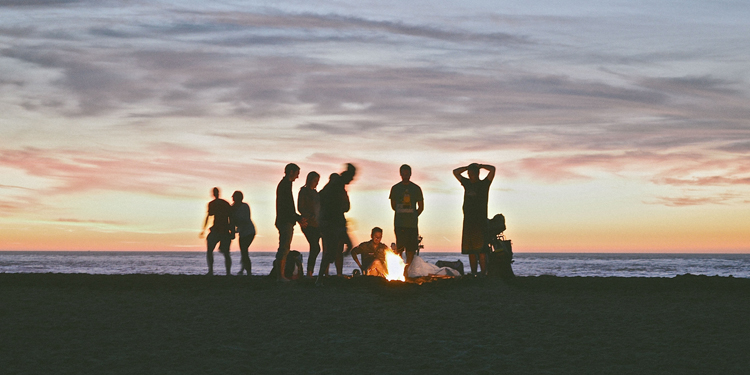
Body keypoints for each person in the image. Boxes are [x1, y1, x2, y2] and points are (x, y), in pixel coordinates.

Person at [316, 164, 356, 285]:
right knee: (332, 251)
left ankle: (323, 275)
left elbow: (345, 206)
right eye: (352, 177)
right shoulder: (335, 185)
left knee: (346, 246)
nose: (352, 180)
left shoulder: (339, 186)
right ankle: (320, 278)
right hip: (332, 222)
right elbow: (342, 205)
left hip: (336, 222)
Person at [453, 163, 496, 275]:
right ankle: (473, 273)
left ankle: (483, 273)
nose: (470, 175)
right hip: (468, 221)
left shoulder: (484, 184)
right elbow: (455, 172)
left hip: (480, 221)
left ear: (477, 174)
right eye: (469, 174)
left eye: (472, 173)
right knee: (470, 250)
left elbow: (492, 170)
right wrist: (467, 167)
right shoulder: (467, 183)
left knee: (482, 250)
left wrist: (480, 166)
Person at [389, 164, 423, 276]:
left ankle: (407, 271)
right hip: (399, 223)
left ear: (410, 174)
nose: (405, 176)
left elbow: (421, 207)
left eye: (407, 173)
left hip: (412, 224)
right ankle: (399, 269)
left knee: (411, 249)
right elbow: (393, 206)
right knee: (399, 248)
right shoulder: (395, 188)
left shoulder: (416, 188)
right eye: (403, 174)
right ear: (400, 174)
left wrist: (413, 215)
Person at [274, 163, 306, 281]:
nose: (297, 177)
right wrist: (297, 218)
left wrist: (296, 218)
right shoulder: (285, 185)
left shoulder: (285, 185)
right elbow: (287, 207)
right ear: (291, 172)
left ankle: (280, 275)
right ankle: (280, 276)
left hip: (285, 220)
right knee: (284, 247)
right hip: (285, 220)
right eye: (297, 174)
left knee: (284, 247)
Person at [200, 187, 233, 276]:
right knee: (211, 250)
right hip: (218, 229)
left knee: (225, 252)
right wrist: (203, 229)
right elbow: (208, 216)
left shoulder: (223, 203)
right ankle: (212, 271)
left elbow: (231, 217)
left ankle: (227, 272)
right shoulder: (214, 204)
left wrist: (232, 230)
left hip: (223, 229)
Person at [298, 171, 321, 277]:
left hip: (317, 224)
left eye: (317, 181)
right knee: (315, 247)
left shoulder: (316, 194)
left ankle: (310, 272)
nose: (316, 183)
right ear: (309, 180)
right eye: (315, 180)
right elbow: (300, 207)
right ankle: (309, 272)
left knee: (315, 247)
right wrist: (309, 216)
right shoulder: (304, 191)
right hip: (308, 223)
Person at [231, 190, 256, 276]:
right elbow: (232, 221)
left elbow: (245, 219)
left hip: (249, 231)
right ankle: (243, 269)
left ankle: (248, 271)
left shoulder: (244, 206)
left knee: (244, 251)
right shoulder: (233, 208)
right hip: (242, 232)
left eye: (234, 196)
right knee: (244, 251)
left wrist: (235, 230)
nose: (232, 197)